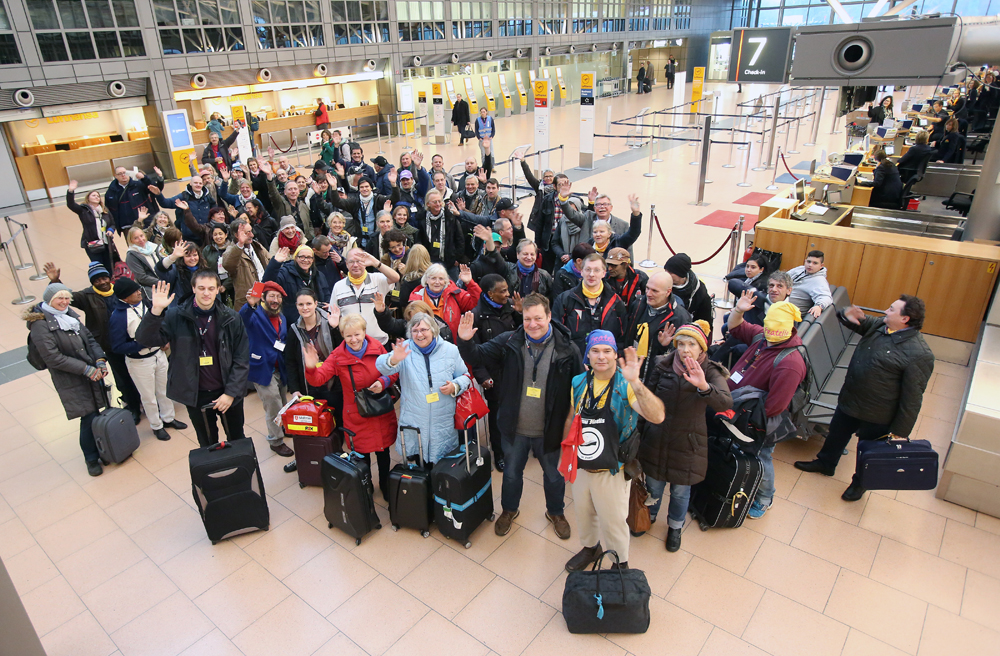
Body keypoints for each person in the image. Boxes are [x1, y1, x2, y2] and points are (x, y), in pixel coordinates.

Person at [457, 294, 584, 539]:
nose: (532, 324)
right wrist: (465, 341)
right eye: (527, 319)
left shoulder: (567, 348)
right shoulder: (509, 341)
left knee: (554, 476)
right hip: (514, 427)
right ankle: (509, 510)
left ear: (549, 316)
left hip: (551, 429)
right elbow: (477, 356)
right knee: (512, 474)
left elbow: (579, 387)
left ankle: (556, 512)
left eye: (538, 318)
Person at [794, 296, 934, 501]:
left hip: (877, 415)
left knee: (867, 451)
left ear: (905, 319)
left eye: (891, 309)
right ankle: (825, 463)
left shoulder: (919, 354)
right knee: (836, 435)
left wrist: (900, 431)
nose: (885, 311)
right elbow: (856, 321)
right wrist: (846, 313)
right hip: (850, 399)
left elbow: (912, 398)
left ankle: (860, 483)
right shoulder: (881, 326)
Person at [562, 334, 666, 571]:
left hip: (613, 468)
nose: (601, 356)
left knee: (613, 521)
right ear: (587, 355)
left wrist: (636, 382)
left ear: (615, 355)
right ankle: (591, 548)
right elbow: (571, 417)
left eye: (607, 351)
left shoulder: (625, 385)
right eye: (595, 350)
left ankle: (620, 564)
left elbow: (657, 416)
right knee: (583, 513)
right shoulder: (578, 382)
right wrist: (566, 456)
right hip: (582, 463)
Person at [638, 321, 732, 552]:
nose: (685, 350)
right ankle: (649, 515)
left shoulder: (710, 371)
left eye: (691, 344)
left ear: (701, 348)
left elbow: (725, 403)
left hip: (688, 442)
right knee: (653, 486)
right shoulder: (662, 365)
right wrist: (639, 432)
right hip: (657, 438)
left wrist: (704, 386)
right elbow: (646, 400)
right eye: (681, 344)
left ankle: (675, 527)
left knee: (680, 492)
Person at [136, 275, 250, 447]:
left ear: (218, 290)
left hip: (227, 391)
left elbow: (241, 358)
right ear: (193, 288)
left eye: (211, 288)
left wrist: (230, 393)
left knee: (237, 438)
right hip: (197, 395)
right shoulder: (176, 316)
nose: (206, 293)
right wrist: (156, 311)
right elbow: (145, 340)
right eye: (201, 288)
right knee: (207, 443)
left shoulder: (231, 318)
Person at [726, 292, 808, 519]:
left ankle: (764, 498)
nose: (769, 330)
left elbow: (775, 406)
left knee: (761, 457)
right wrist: (739, 310)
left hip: (758, 421)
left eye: (774, 327)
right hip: (739, 409)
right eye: (767, 325)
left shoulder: (790, 363)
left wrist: (743, 419)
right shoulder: (763, 337)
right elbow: (736, 327)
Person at [306, 313, 397, 497]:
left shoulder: (378, 348)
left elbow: (393, 371)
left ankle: (385, 485)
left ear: (364, 332)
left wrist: (383, 382)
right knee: (362, 455)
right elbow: (318, 379)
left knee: (383, 452)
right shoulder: (337, 356)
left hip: (379, 411)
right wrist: (311, 367)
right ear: (342, 335)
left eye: (357, 334)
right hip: (356, 414)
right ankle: (366, 486)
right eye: (348, 335)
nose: (353, 339)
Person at [42, 261, 143, 424]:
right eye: (97, 280)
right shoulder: (86, 296)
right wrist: (55, 281)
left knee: (139, 373)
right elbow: (65, 297)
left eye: (104, 278)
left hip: (130, 341)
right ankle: (133, 406)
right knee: (122, 377)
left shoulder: (119, 290)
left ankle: (144, 400)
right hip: (110, 345)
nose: (102, 282)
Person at [26, 284, 111, 477]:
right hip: (71, 379)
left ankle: (103, 450)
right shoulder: (40, 325)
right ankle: (91, 458)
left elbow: (89, 339)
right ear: (49, 300)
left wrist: (100, 359)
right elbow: (52, 357)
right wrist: (85, 369)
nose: (64, 302)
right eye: (59, 298)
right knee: (88, 415)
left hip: (91, 373)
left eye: (67, 298)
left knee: (96, 412)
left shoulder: (68, 315)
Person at [376, 313, 471, 468]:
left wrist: (455, 386)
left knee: (443, 467)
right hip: (414, 420)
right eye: (415, 331)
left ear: (433, 330)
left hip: (442, 420)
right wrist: (393, 359)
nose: (419, 335)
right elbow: (381, 367)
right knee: (419, 466)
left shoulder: (451, 350)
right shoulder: (405, 350)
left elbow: (465, 376)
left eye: (423, 330)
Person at [108, 278, 186, 442]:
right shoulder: (118, 317)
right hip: (140, 362)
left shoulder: (147, 304)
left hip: (158, 355)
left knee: (165, 390)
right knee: (149, 397)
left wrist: (163, 339)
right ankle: (156, 426)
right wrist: (142, 344)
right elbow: (117, 346)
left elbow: (160, 324)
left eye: (138, 289)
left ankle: (169, 418)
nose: (139, 292)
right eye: (134, 291)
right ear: (125, 297)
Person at [469, 273, 519, 470]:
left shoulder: (511, 307)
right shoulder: (477, 316)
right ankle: (499, 453)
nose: (507, 294)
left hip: (515, 369)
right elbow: (474, 352)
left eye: (507, 289)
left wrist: (520, 313)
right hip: (494, 374)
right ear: (490, 294)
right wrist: (483, 376)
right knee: (498, 417)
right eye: (503, 291)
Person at [240, 281, 295, 456]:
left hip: (280, 367)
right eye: (272, 296)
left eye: (278, 297)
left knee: (283, 401)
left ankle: (283, 427)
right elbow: (242, 318)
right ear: (263, 297)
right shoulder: (254, 315)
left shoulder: (282, 318)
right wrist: (250, 304)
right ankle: (275, 440)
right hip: (262, 368)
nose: (275, 300)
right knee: (273, 403)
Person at [554, 253, 628, 356]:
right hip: (574, 360)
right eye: (588, 269)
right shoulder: (565, 299)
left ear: (604, 273)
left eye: (596, 270)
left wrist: (615, 358)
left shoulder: (616, 302)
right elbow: (558, 335)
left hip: (604, 361)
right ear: (581, 271)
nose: (591, 274)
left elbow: (622, 337)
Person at [624, 271, 691, 382]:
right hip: (631, 370)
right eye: (647, 288)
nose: (648, 294)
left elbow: (682, 355)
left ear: (668, 292)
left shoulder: (680, 318)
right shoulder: (638, 304)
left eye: (655, 291)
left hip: (655, 378)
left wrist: (665, 346)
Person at [331, 247, 401, 345]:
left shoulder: (377, 279)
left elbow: (395, 278)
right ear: (346, 264)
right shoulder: (338, 286)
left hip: (379, 343)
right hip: (352, 344)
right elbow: (334, 315)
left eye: (359, 261)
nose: (355, 265)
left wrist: (375, 262)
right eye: (351, 262)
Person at [408, 262, 480, 342]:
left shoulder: (455, 294)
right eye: (433, 278)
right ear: (426, 280)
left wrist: (470, 283)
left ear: (446, 281)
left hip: (453, 344)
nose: (437, 282)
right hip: (428, 344)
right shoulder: (418, 299)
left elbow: (477, 302)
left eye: (441, 279)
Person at [263, 245, 332, 325]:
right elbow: (268, 283)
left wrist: (328, 305)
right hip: (292, 323)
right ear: (295, 258)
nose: (305, 260)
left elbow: (326, 294)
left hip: (317, 321)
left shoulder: (319, 275)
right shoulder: (285, 272)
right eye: (302, 257)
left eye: (309, 257)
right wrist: (275, 263)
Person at [67, 180, 116, 272]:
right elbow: (71, 205)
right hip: (92, 244)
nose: (96, 197)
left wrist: (110, 230)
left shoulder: (105, 211)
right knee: (98, 266)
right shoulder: (83, 210)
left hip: (106, 243)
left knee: (109, 266)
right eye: (93, 195)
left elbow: (112, 223)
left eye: (98, 196)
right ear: (88, 198)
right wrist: (70, 191)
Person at [150, 175, 214, 245]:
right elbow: (165, 203)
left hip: (205, 236)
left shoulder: (208, 197)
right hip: (188, 238)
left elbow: (214, 212)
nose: (198, 185)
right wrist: (159, 194)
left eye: (200, 183)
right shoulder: (183, 196)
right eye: (195, 183)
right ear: (190, 183)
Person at [222, 218, 269, 312]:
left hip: (265, 297)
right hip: (248, 303)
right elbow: (227, 264)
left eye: (251, 231)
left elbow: (269, 262)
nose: (252, 235)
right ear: (237, 235)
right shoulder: (231, 251)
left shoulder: (257, 246)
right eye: (247, 233)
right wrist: (240, 244)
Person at [417, 189, 465, 275]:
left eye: (439, 201)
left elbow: (459, 239)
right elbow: (419, 240)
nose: (438, 204)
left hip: (449, 261)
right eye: (435, 202)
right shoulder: (421, 218)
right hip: (429, 262)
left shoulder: (450, 217)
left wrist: (457, 258)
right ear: (428, 204)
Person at [664, 253, 715, 333]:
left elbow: (705, 321)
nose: (666, 275)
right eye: (665, 271)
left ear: (681, 274)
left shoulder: (699, 291)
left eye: (670, 272)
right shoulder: (662, 283)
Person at [106, 166, 162, 236]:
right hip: (127, 226)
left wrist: (145, 178)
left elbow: (156, 189)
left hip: (145, 223)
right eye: (120, 174)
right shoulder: (111, 191)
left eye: (125, 172)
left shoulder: (138, 184)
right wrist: (113, 227)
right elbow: (108, 211)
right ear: (115, 176)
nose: (123, 175)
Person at [786, 250, 833, 318]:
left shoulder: (819, 281)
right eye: (808, 262)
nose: (810, 265)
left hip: (788, 313)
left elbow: (826, 297)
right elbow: (782, 278)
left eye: (815, 263)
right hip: (778, 302)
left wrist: (819, 306)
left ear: (821, 265)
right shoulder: (800, 269)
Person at [125, 221, 162, 299]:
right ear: (131, 241)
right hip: (153, 288)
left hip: (164, 281)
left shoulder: (153, 247)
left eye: (141, 236)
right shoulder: (131, 255)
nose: (140, 239)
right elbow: (142, 277)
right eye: (136, 238)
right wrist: (161, 283)